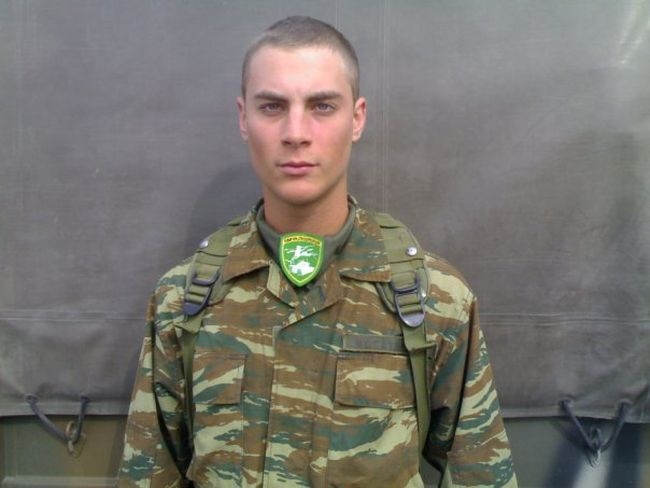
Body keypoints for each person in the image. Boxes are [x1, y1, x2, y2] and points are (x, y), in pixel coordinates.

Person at [118, 16, 517, 488]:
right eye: (272, 106)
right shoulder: (184, 301)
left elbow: (480, 474)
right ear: (244, 118)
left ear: (357, 118)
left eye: (322, 106)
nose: (296, 132)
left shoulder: (433, 299)